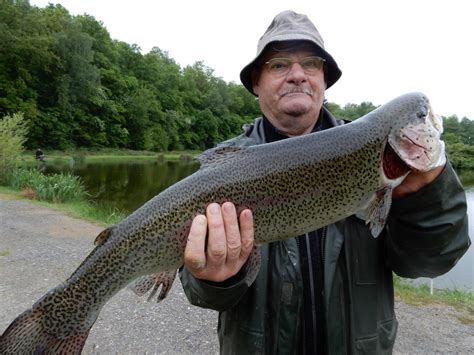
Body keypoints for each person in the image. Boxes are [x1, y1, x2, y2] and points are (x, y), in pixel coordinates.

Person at [179, 10, 470, 354]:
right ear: (256, 83)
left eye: (312, 64)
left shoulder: (379, 161)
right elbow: (201, 293)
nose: (298, 74)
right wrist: (216, 278)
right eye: (278, 65)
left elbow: (427, 263)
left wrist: (427, 194)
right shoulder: (219, 175)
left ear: (324, 80)